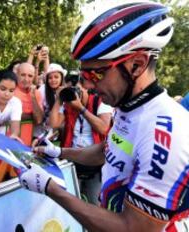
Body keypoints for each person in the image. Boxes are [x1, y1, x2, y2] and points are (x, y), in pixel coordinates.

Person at [18, 1, 189, 231]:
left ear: (137, 64)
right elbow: (107, 151)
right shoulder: (128, 107)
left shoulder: (166, 132)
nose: (86, 85)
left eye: (95, 74)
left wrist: (51, 189)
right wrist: (60, 152)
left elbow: (133, 228)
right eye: (83, 74)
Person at [49, 72, 112, 205]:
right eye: (72, 91)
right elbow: (54, 124)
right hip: (72, 160)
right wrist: (59, 100)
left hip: (95, 162)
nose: (75, 96)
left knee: (95, 203)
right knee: (70, 203)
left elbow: (104, 128)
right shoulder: (68, 105)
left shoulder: (100, 102)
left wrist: (82, 108)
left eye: (77, 91)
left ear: (85, 88)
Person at [14, 62, 44, 146]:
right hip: (8, 139)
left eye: (30, 76)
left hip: (26, 143)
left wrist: (33, 97)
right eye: (23, 75)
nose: (26, 79)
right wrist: (31, 116)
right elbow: (6, 115)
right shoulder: (10, 89)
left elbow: (38, 120)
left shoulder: (36, 93)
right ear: (17, 75)